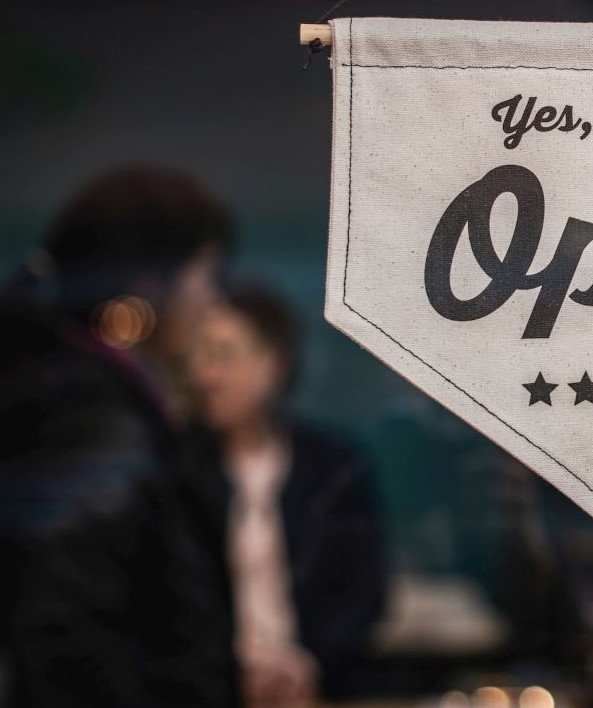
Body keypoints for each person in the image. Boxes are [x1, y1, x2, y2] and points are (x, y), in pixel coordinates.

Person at [0, 164, 237, 707]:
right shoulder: (93, 420)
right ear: (152, 284)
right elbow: (69, 632)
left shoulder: (65, 391)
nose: (211, 305)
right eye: (205, 278)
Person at [182, 282, 387, 707]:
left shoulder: (334, 470)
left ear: (272, 364)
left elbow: (363, 593)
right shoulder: (178, 470)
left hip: (317, 689)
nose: (206, 375)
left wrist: (307, 665)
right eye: (198, 357)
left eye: (223, 356)